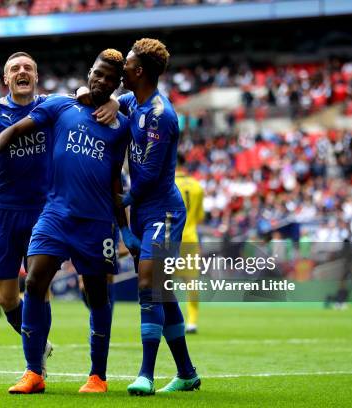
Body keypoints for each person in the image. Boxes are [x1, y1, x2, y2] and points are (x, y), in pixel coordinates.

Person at [0, 49, 140, 395]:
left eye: (109, 78)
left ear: (117, 83)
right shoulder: (61, 105)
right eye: (97, 73)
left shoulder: (122, 125)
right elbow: (15, 129)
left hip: (96, 221)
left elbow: (114, 180)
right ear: (89, 73)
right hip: (54, 215)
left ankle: (98, 376)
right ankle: (34, 372)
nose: (100, 81)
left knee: (96, 295)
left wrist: (124, 228)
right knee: (34, 282)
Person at [116, 38, 201, 395]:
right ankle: (186, 373)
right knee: (163, 294)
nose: (122, 69)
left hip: (164, 211)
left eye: (127, 65)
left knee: (149, 284)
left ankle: (145, 375)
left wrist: (121, 203)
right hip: (143, 214)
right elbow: (99, 98)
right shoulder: (130, 101)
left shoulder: (160, 115)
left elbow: (148, 175)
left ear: (139, 72)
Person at [174, 153, 204, 334]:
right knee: (191, 282)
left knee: (162, 283)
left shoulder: (168, 183)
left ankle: (165, 320)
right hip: (191, 237)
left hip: (171, 238)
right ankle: (192, 321)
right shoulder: (197, 186)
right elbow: (200, 216)